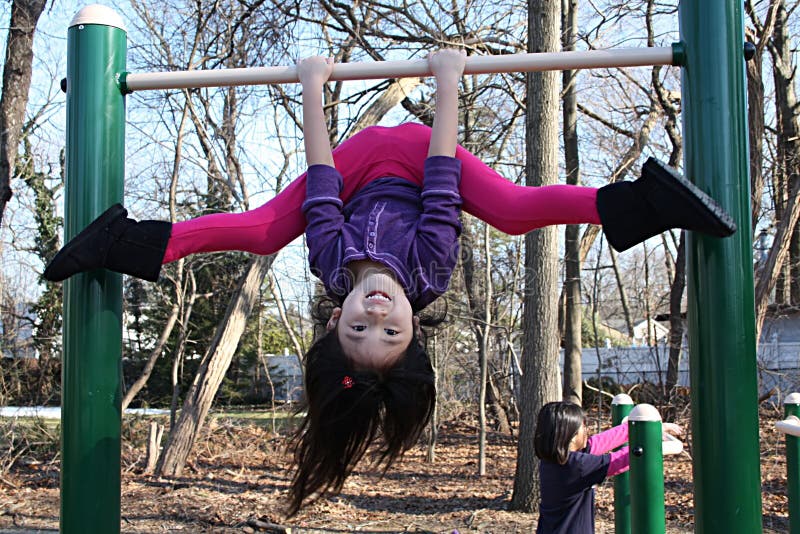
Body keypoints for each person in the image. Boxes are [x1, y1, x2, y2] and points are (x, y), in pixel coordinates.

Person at [43, 49, 732, 514]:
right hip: (428, 157)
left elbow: (319, 181)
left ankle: (119, 242)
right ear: (413, 327)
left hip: (353, 162)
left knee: (259, 231)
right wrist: (446, 82)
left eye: (359, 326)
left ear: (335, 316)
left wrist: (312, 86)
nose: (375, 311)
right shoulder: (430, 267)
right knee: (518, 212)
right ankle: (650, 205)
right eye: (390, 329)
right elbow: (441, 180)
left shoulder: (330, 261)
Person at [534, 401, 683, 534]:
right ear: (571, 436)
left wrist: (644, 428)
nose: (587, 431)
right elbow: (619, 460)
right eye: (583, 426)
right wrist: (651, 443)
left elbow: (600, 442)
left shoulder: (554, 460)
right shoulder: (577, 466)